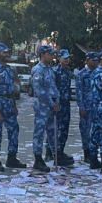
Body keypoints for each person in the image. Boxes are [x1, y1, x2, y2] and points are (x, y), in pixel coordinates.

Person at [0, 42, 26, 171]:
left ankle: (12, 158)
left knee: (14, 130)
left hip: (9, 103)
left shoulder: (10, 69)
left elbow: (12, 89)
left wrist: (14, 105)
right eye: (4, 52)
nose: (7, 54)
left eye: (8, 52)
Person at [31, 45, 59, 173]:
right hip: (42, 106)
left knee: (53, 132)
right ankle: (38, 159)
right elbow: (39, 90)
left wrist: (56, 101)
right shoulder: (38, 70)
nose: (52, 56)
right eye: (50, 54)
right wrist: (51, 103)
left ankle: (55, 155)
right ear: (43, 54)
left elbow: (53, 87)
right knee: (39, 132)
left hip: (52, 107)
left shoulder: (49, 69)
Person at [46, 49, 74, 166]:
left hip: (66, 104)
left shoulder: (68, 71)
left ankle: (60, 151)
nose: (67, 60)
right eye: (65, 58)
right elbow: (51, 88)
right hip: (57, 104)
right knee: (55, 129)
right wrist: (53, 103)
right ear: (59, 59)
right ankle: (52, 152)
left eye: (68, 58)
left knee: (64, 130)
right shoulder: (55, 71)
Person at [76, 51, 98, 163]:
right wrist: (81, 107)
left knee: (96, 131)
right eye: (93, 60)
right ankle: (87, 153)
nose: (95, 62)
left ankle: (94, 153)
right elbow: (79, 92)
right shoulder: (81, 74)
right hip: (86, 107)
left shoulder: (98, 73)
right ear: (87, 60)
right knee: (85, 131)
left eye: (96, 60)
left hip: (97, 107)